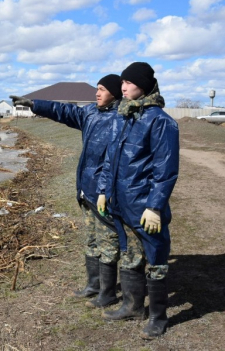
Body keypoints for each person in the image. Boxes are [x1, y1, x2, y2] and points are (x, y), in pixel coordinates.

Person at [10, 74, 123, 309]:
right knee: (91, 239)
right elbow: (65, 111)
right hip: (85, 188)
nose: (97, 92)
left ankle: (108, 292)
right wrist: (34, 104)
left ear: (115, 92)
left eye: (102, 89)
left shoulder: (121, 118)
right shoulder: (90, 113)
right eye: (97, 88)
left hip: (104, 192)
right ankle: (93, 285)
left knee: (108, 242)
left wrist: (106, 190)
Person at [96, 62, 179, 339]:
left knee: (155, 259)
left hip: (145, 207)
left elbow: (165, 169)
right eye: (121, 83)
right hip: (121, 204)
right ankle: (132, 306)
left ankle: (158, 316)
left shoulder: (160, 120)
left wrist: (155, 206)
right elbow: (110, 159)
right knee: (129, 256)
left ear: (142, 85)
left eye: (128, 83)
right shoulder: (124, 116)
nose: (123, 87)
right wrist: (104, 190)